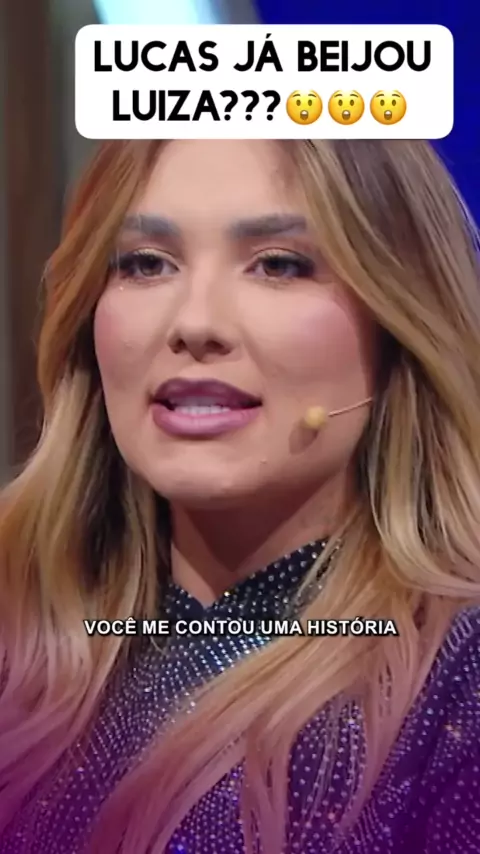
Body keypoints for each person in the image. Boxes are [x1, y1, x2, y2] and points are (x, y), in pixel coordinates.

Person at [0, 138, 479, 854]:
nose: (196, 324)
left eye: (278, 264)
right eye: (146, 264)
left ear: (399, 322)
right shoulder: (17, 624)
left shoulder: (460, 682)